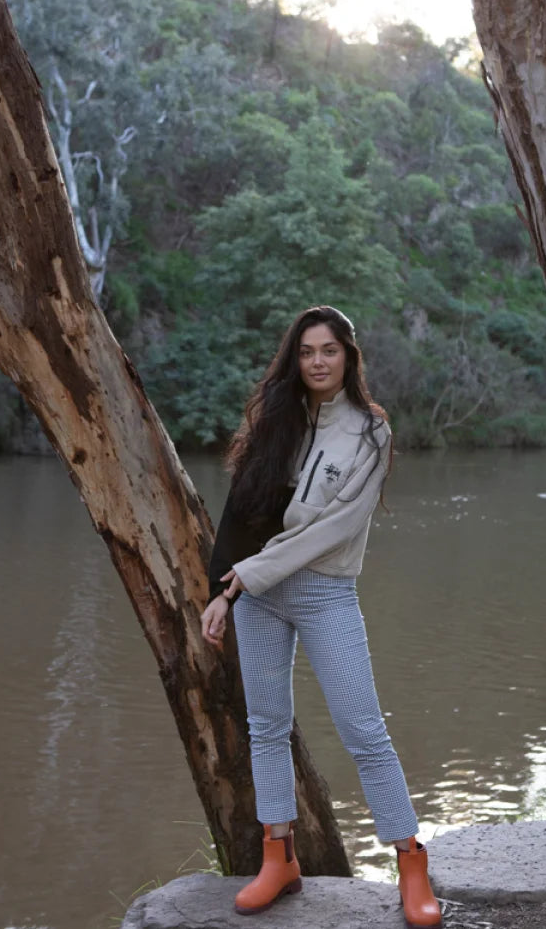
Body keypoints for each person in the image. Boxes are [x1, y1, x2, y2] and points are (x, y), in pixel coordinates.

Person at [200, 305, 442, 929]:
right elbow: (244, 514)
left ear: (348, 357)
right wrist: (223, 591)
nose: (317, 362)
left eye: (328, 350)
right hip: (257, 595)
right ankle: (278, 858)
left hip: (324, 591)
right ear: (295, 358)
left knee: (363, 729)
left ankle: (411, 864)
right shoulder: (278, 420)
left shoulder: (370, 433)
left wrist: (249, 575)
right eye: (306, 351)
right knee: (266, 725)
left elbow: (336, 529)